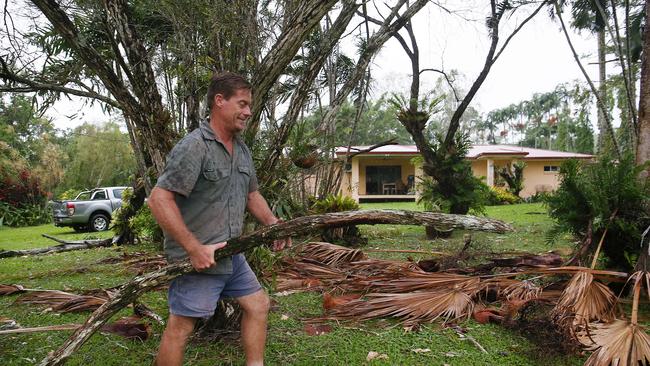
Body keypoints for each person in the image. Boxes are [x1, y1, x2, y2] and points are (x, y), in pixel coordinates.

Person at [148, 72, 291, 366]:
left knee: (258, 304)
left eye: (249, 105)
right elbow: (160, 200)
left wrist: (274, 225)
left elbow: (252, 195)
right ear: (219, 101)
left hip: (230, 254)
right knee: (181, 327)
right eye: (242, 103)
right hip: (197, 259)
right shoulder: (195, 146)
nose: (248, 111)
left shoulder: (241, 150)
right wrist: (193, 248)